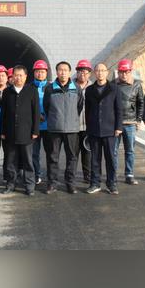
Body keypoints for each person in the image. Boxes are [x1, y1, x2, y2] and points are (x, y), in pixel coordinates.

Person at [43, 61, 84, 194]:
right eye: (60, 70)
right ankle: (52, 183)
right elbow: (46, 106)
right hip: (54, 128)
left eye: (65, 70)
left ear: (69, 72)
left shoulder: (76, 88)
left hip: (72, 129)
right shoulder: (50, 88)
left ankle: (70, 183)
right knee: (52, 157)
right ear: (56, 72)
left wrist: (72, 118)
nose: (63, 73)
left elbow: (79, 106)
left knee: (72, 157)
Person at [0, 65, 40, 196]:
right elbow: (3, 113)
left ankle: (29, 186)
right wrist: (3, 131)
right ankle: (11, 184)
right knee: (11, 161)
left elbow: (36, 112)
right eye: (15, 75)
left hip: (26, 133)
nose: (18, 78)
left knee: (28, 161)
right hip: (10, 133)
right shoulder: (7, 92)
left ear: (26, 77)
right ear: (12, 77)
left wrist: (35, 131)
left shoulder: (32, 91)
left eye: (20, 75)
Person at [85, 63, 122, 195]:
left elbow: (119, 109)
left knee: (110, 158)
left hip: (110, 129)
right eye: (97, 71)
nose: (100, 73)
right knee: (95, 159)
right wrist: (88, 127)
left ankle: (112, 184)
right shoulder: (89, 90)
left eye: (102, 70)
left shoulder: (114, 88)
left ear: (107, 72)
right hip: (94, 129)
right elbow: (87, 110)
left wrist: (118, 127)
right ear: (94, 73)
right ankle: (95, 183)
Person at [113, 59, 144, 185]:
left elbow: (140, 103)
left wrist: (138, 120)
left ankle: (129, 174)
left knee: (130, 150)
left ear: (130, 71)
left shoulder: (137, 85)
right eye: (121, 72)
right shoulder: (113, 84)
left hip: (130, 123)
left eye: (126, 72)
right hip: (115, 123)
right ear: (118, 72)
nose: (124, 75)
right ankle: (113, 174)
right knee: (113, 151)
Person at [31, 60, 51, 185]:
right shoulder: (29, 87)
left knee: (51, 153)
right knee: (34, 153)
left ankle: (50, 175)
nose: (40, 74)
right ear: (34, 73)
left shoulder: (51, 87)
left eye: (42, 72)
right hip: (34, 126)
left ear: (46, 73)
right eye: (37, 71)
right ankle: (36, 174)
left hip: (49, 126)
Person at [74, 59, 92, 183]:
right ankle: (71, 176)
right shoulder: (71, 86)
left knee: (87, 152)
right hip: (74, 126)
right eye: (80, 71)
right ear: (77, 73)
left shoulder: (93, 87)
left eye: (85, 72)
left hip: (88, 126)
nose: (82, 74)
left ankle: (87, 175)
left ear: (89, 73)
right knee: (73, 153)